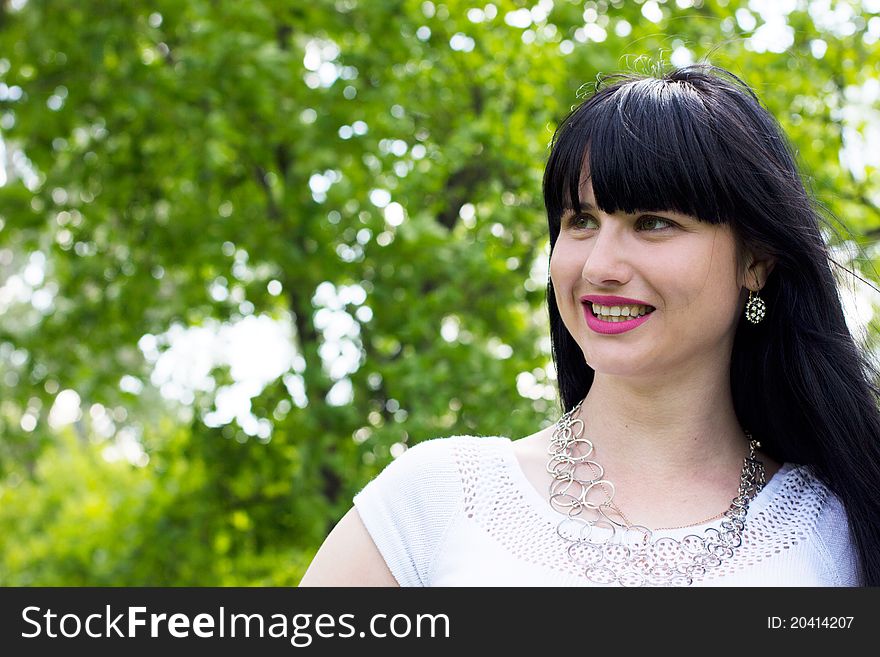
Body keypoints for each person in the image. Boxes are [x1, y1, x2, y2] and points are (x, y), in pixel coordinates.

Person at [299, 63, 880, 587]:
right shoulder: (439, 499)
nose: (599, 266)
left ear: (755, 261)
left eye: (652, 222)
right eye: (581, 221)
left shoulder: (838, 530)